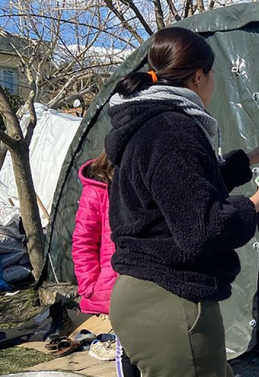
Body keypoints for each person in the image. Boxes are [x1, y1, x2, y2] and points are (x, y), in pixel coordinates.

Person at [105, 26, 259, 377]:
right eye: (213, 74)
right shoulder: (174, 129)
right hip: (171, 300)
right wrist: (256, 202)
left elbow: (180, 191)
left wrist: (252, 157)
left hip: (141, 292)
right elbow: (202, 229)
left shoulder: (146, 122)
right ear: (199, 75)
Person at [72, 151, 140, 376]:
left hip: (150, 278)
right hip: (117, 286)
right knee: (128, 348)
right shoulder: (97, 190)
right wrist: (90, 285)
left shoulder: (145, 179)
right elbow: (83, 241)